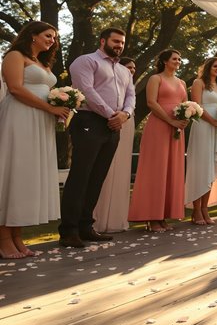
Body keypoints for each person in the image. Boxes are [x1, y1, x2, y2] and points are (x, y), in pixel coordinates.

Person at [60, 27, 134, 247]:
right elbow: (87, 91)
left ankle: (86, 226)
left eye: (122, 42)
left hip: (114, 125)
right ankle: (69, 231)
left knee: (97, 177)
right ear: (103, 41)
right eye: (115, 41)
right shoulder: (85, 61)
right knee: (80, 175)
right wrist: (112, 114)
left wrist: (125, 114)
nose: (119, 45)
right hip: (89, 121)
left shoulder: (124, 71)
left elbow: (131, 95)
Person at [0, 22, 69, 258]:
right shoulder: (15, 56)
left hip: (40, 123)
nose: (52, 40)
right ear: (32, 35)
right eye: (48, 35)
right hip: (19, 118)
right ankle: (3, 239)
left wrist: (59, 107)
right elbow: (15, 89)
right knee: (13, 173)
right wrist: (50, 108)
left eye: (54, 37)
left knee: (25, 178)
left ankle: (17, 237)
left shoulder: (41, 63)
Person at [127, 49, 187, 232]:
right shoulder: (156, 79)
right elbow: (151, 103)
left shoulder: (182, 82)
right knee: (156, 170)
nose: (178, 61)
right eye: (174, 59)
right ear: (165, 61)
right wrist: (170, 120)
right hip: (159, 127)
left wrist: (185, 118)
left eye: (179, 59)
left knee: (172, 170)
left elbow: (186, 104)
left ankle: (163, 216)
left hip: (177, 130)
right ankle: (152, 217)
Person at [183, 58, 217, 225]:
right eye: (215, 66)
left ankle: (205, 208)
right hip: (203, 127)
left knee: (212, 168)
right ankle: (196, 210)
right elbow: (197, 107)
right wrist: (214, 122)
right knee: (201, 167)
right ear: (208, 67)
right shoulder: (199, 83)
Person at [93, 57, 136, 234]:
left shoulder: (130, 88)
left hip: (127, 121)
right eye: (128, 67)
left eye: (133, 68)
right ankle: (98, 218)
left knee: (122, 170)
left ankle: (117, 218)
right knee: (106, 168)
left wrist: (126, 114)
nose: (131, 70)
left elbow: (131, 101)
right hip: (110, 120)